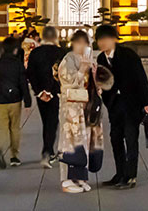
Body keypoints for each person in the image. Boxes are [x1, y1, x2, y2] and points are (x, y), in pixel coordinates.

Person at [96, 24, 148, 190]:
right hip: (115, 105)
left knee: (131, 139)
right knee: (115, 138)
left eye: (105, 39)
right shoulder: (101, 59)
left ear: (114, 39)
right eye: (100, 40)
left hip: (132, 104)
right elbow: (102, 81)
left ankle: (131, 175)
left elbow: (141, 79)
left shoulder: (128, 55)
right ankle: (120, 173)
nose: (102, 43)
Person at [57, 30, 104, 194]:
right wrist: (82, 69)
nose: (85, 46)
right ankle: (67, 179)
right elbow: (67, 83)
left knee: (85, 143)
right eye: (82, 43)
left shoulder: (89, 60)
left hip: (86, 108)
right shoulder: (68, 59)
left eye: (88, 43)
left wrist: (94, 72)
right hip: (72, 109)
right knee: (70, 143)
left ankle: (80, 177)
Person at [0, 37, 32, 168]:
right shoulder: (17, 64)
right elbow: (23, 83)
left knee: (0, 127)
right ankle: (14, 156)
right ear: (15, 49)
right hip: (15, 100)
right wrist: (27, 101)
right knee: (14, 128)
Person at [27, 26, 65, 168]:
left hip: (40, 94)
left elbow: (30, 73)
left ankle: (48, 150)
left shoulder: (35, 53)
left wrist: (40, 91)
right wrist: (51, 90)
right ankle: (47, 151)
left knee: (46, 121)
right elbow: (63, 74)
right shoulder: (61, 52)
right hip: (56, 93)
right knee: (53, 121)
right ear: (55, 37)